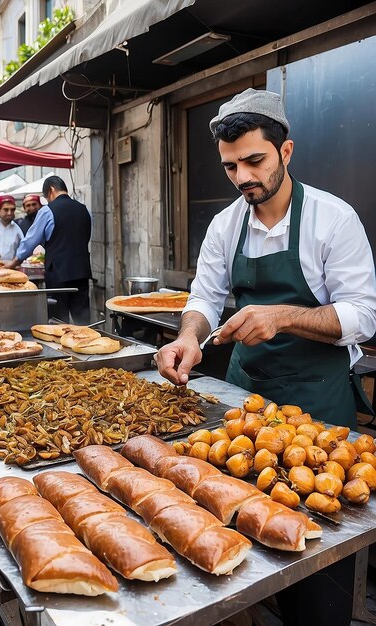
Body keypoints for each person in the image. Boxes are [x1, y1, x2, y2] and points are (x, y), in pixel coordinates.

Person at [155, 88, 376, 626]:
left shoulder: (332, 218)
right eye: (231, 166)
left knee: (317, 565)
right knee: (242, 546)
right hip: (245, 404)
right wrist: (188, 336)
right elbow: (204, 298)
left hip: (318, 407)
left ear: (287, 151)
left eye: (255, 161)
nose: (242, 177)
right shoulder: (226, 225)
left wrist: (284, 315)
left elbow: (365, 315)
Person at [4, 175, 92, 324]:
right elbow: (85, 236)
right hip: (82, 272)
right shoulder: (84, 210)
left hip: (58, 273)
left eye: (46, 197)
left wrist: (13, 263)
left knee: (58, 321)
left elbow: (30, 242)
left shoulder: (47, 211)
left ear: (51, 190)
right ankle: (88, 345)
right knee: (82, 321)